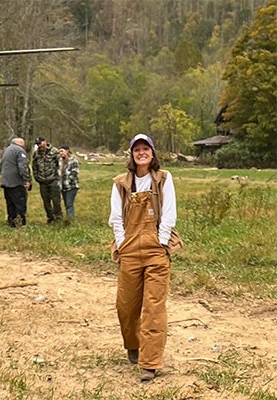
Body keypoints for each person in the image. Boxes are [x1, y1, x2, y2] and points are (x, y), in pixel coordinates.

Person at [108, 133, 177, 383]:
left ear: (152, 153)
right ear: (132, 155)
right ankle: (133, 344)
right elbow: (116, 217)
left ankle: (150, 363)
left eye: (145, 149)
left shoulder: (163, 179)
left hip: (155, 249)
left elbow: (169, 213)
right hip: (129, 249)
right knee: (126, 306)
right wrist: (123, 242)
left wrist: (161, 241)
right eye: (136, 149)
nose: (141, 153)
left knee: (153, 307)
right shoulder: (121, 183)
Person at [0, 137, 32, 227]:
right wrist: (26, 179)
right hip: (16, 182)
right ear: (21, 144)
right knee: (20, 203)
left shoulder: (6, 150)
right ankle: (20, 223)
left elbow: (1, 164)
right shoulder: (19, 151)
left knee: (10, 203)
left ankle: (11, 222)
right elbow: (23, 167)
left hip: (6, 181)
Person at [32, 137, 62, 224]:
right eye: (37, 144)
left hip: (53, 180)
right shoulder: (36, 154)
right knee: (46, 202)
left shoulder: (54, 152)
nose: (39, 145)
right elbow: (34, 166)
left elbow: (59, 165)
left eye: (40, 143)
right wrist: (37, 177)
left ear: (45, 142)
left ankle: (58, 218)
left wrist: (57, 177)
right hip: (42, 181)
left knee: (56, 201)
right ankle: (50, 218)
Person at [58, 145, 80, 219]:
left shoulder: (73, 161)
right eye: (59, 152)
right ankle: (68, 217)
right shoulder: (60, 160)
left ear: (67, 151)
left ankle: (70, 219)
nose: (60, 153)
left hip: (72, 186)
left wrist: (66, 177)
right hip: (63, 186)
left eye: (62, 151)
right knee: (66, 204)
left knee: (69, 203)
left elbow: (74, 173)